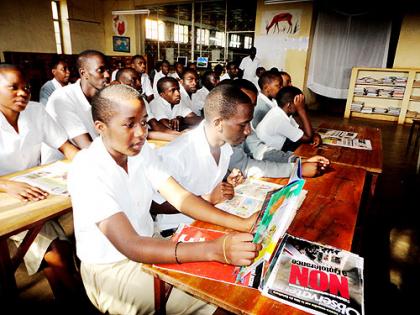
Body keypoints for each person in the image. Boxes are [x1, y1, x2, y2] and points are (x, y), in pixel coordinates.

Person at [67, 84, 261, 315]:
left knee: (235, 278)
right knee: (219, 300)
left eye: (143, 122)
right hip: (113, 269)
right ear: (101, 127)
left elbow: (181, 198)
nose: (141, 132)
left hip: (151, 244)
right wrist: (213, 250)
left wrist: (242, 223)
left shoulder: (141, 151)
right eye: (129, 124)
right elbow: (131, 246)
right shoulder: (87, 169)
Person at [0, 64, 81, 300]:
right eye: (13, 88)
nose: (23, 92)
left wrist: (88, 167)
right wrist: (7, 185)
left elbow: (67, 148)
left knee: (60, 254)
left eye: (25, 87)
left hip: (37, 193)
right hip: (8, 199)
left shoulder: (35, 111)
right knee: (57, 253)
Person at [156, 84, 251, 231]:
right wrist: (207, 198)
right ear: (218, 123)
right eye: (243, 124)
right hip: (177, 228)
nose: (248, 130)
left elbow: (206, 181)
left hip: (211, 220)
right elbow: (155, 204)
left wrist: (226, 182)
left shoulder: (224, 146)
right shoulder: (176, 153)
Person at [228, 79, 329, 178]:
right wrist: (297, 169)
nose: (248, 131)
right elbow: (246, 166)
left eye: (253, 105)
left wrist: (299, 161)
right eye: (244, 103)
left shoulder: (245, 124)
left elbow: (261, 151)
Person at [42, 50, 110, 163]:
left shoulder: (104, 97)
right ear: (84, 73)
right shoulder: (62, 97)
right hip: (60, 166)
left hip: (93, 157)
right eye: (100, 70)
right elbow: (85, 145)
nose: (107, 75)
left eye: (108, 70)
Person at [116, 67, 180, 141]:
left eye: (139, 79)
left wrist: (177, 134)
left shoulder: (141, 100)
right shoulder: (113, 103)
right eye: (133, 80)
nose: (139, 84)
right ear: (119, 83)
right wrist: (173, 136)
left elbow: (154, 124)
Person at [256, 86, 322, 151]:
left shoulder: (279, 111)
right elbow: (308, 137)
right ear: (289, 105)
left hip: (277, 147)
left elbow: (298, 129)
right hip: (268, 154)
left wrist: (315, 135)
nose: (302, 106)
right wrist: (301, 111)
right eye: (300, 104)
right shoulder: (279, 119)